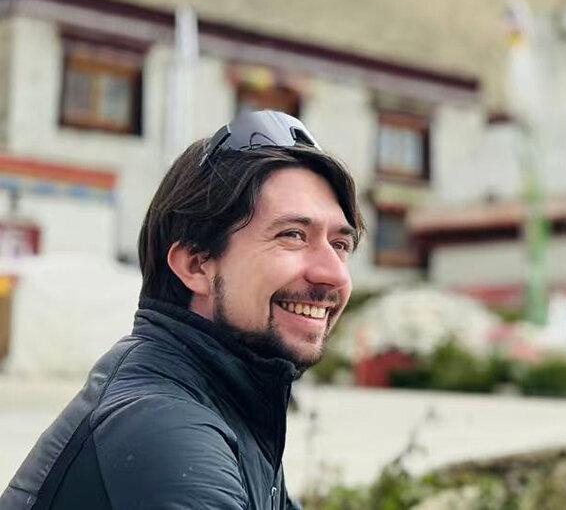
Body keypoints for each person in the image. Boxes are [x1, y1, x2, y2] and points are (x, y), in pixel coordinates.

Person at [2, 110, 363, 509]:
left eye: (340, 245)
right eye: (293, 235)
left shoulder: (230, 396)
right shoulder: (166, 426)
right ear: (196, 265)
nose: (333, 274)